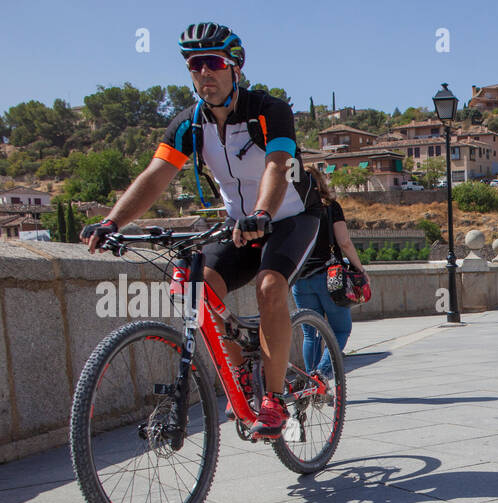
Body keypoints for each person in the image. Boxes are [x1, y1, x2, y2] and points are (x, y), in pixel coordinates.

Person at [81, 22, 324, 440]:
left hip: (291, 217)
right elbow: (156, 175)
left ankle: (275, 399)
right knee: (199, 287)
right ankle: (243, 376)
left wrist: (263, 212)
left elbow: (278, 164)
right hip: (240, 225)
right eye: (195, 65)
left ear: (236, 67)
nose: (204, 73)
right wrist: (112, 222)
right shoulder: (188, 125)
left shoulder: (269, 110)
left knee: (270, 287)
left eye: (213, 63)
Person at [291, 165, 367, 382]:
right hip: (329, 277)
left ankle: (309, 384)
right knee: (341, 330)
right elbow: (344, 242)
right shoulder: (330, 207)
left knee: (310, 333)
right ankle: (321, 376)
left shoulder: (292, 210)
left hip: (300, 278)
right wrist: (360, 270)